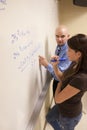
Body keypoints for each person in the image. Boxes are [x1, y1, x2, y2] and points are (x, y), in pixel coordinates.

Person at [46, 34, 87, 130]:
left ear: (78, 54)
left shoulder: (81, 79)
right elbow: (62, 77)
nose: (66, 52)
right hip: (62, 107)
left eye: (69, 50)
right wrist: (55, 66)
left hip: (69, 115)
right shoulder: (75, 63)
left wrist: (60, 83)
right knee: (49, 118)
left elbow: (58, 99)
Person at [39, 25, 71, 96]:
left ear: (68, 36)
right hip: (56, 82)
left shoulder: (69, 52)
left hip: (63, 84)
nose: (59, 39)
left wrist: (46, 64)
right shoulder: (59, 46)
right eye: (57, 36)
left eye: (62, 36)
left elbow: (60, 77)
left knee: (60, 104)